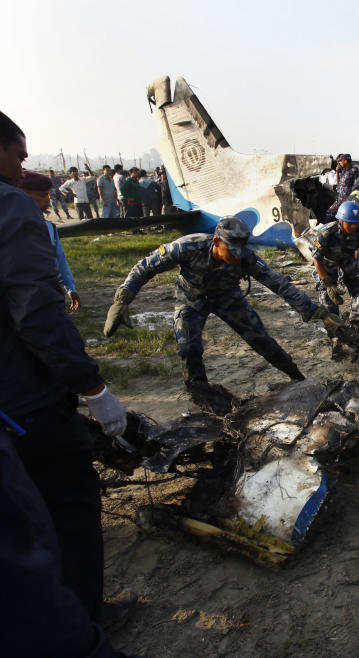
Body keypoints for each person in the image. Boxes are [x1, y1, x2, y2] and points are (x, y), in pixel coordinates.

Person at [0, 110, 128, 648]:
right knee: (70, 506)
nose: (22, 164)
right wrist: (91, 386)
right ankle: (83, 622)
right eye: (19, 154)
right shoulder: (10, 208)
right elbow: (37, 314)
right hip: (26, 400)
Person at [104, 216, 341, 414]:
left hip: (228, 297)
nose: (236, 256)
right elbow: (145, 267)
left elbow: (278, 283)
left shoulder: (245, 257)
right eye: (231, 250)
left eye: (240, 251)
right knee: (188, 347)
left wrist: (316, 312)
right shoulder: (187, 246)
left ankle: (296, 376)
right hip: (191, 299)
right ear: (217, 241)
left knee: (261, 340)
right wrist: (122, 300)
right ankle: (201, 394)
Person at [312, 201, 359, 354]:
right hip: (327, 263)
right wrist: (327, 283)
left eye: (356, 224)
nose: (353, 227)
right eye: (350, 224)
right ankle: (335, 339)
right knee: (329, 304)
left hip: (348, 261)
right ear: (341, 220)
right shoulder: (326, 232)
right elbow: (317, 259)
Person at [19, 171, 81, 310]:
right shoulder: (12, 228)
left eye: (48, 194)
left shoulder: (49, 228)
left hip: (47, 294)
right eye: (42, 195)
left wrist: (70, 288)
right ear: (21, 195)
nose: (48, 200)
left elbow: (59, 260)